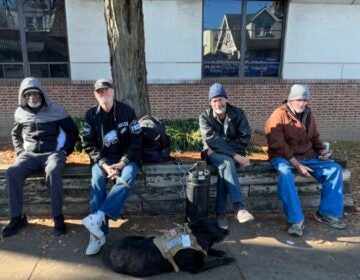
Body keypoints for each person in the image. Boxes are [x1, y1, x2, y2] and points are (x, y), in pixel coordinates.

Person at [264, 84, 346, 237]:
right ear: (290, 100)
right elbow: (278, 145)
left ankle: (326, 213)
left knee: (334, 170)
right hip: (283, 157)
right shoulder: (278, 115)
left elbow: (314, 137)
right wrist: (297, 164)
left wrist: (321, 151)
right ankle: (296, 220)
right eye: (299, 100)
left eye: (305, 100)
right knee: (285, 175)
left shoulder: (309, 114)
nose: (302, 103)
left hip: (307, 156)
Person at [1, 77, 79, 238]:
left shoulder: (57, 110)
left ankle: (58, 218)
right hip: (29, 154)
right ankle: (17, 218)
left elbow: (72, 131)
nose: (32, 97)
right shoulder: (20, 113)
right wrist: (20, 152)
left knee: (52, 171)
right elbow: (15, 134)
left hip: (53, 153)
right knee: (12, 172)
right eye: (28, 94)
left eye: (35, 94)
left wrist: (65, 151)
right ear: (23, 96)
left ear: (42, 94)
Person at [81, 78, 142, 255]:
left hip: (127, 158)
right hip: (103, 160)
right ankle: (98, 236)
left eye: (106, 90)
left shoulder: (127, 111)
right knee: (97, 180)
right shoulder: (90, 115)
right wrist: (105, 165)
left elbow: (136, 140)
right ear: (95, 95)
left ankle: (97, 218)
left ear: (113, 92)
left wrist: (123, 162)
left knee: (126, 178)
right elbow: (88, 144)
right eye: (100, 92)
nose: (104, 94)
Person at [199, 83, 254, 230]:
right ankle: (239, 206)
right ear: (210, 103)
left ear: (226, 100)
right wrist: (235, 155)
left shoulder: (238, 113)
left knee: (225, 166)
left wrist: (219, 148)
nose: (218, 103)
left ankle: (220, 214)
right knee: (228, 163)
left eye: (220, 99)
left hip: (222, 154)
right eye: (214, 100)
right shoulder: (204, 117)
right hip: (216, 156)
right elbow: (211, 139)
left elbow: (244, 138)